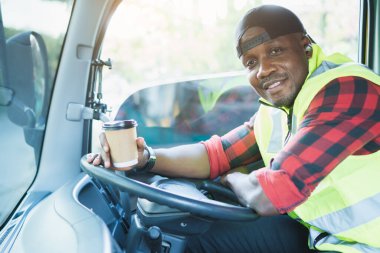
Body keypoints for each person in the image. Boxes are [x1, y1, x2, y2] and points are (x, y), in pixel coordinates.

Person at [88, 4, 380, 253]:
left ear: (306, 46)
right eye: (251, 62)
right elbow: (214, 155)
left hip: (364, 245)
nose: (263, 70)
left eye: (276, 51)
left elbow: (270, 194)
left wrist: (233, 181)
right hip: (324, 236)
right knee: (196, 239)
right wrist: (147, 158)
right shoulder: (278, 110)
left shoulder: (347, 90)